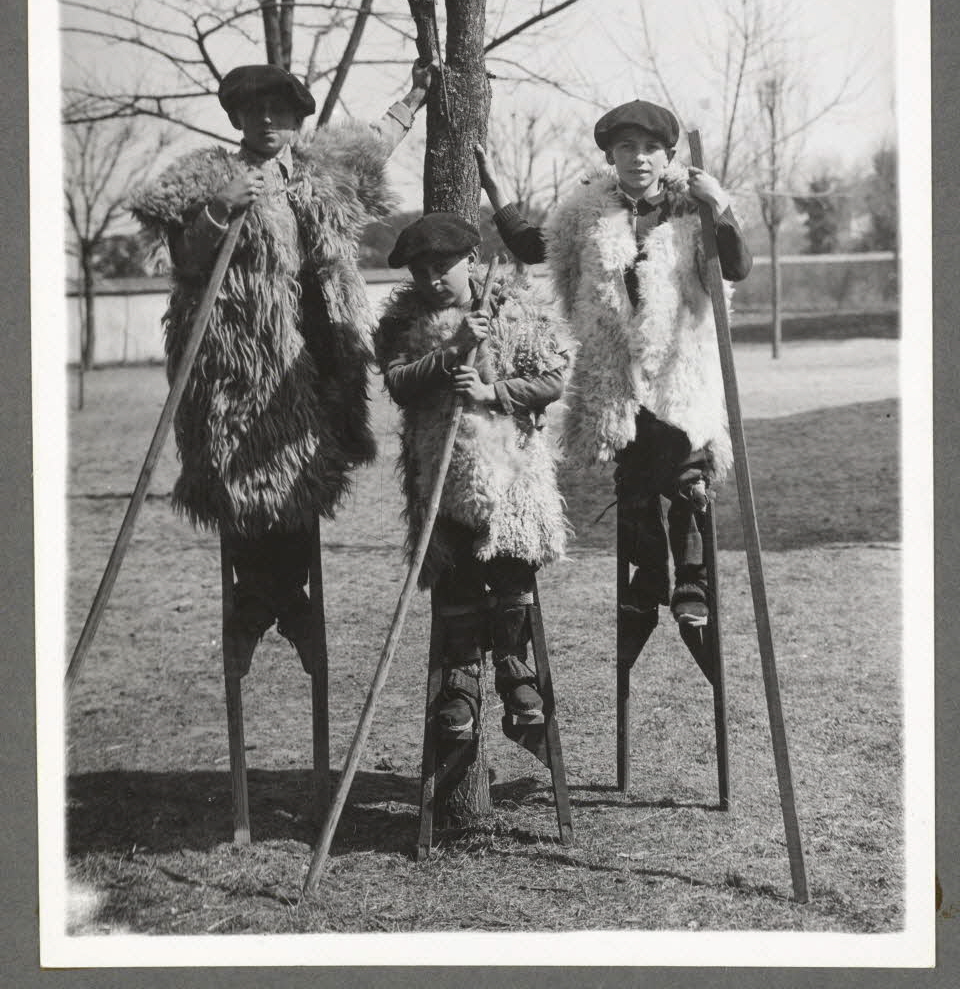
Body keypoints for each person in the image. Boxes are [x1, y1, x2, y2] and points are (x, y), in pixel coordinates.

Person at [130, 60, 431, 676]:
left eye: (280, 110)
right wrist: (218, 211)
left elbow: (374, 143)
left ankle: (272, 604)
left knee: (303, 481)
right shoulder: (210, 176)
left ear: (298, 118)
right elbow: (185, 263)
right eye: (254, 110)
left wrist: (416, 97)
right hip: (241, 365)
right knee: (242, 483)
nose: (268, 120)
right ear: (237, 118)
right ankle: (273, 608)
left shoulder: (322, 171)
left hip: (317, 353)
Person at [476, 99, 752, 648]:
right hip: (617, 374)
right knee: (635, 487)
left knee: (689, 481)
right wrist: (494, 190)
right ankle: (647, 582)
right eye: (627, 147)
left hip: (679, 368)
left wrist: (719, 205)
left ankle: (692, 588)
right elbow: (537, 246)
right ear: (610, 154)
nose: (639, 158)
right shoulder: (586, 210)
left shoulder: (689, 207)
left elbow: (736, 266)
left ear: (668, 155)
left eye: (650, 148)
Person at [374, 212, 571, 737]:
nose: (432, 280)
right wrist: (451, 349)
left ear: (473, 261)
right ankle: (461, 683)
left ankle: (515, 671)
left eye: (443, 267)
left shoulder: (516, 309)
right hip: (441, 475)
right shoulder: (402, 323)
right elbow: (399, 383)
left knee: (511, 574)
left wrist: (494, 394)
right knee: (456, 579)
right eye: (421, 271)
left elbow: (553, 379)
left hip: (512, 481)